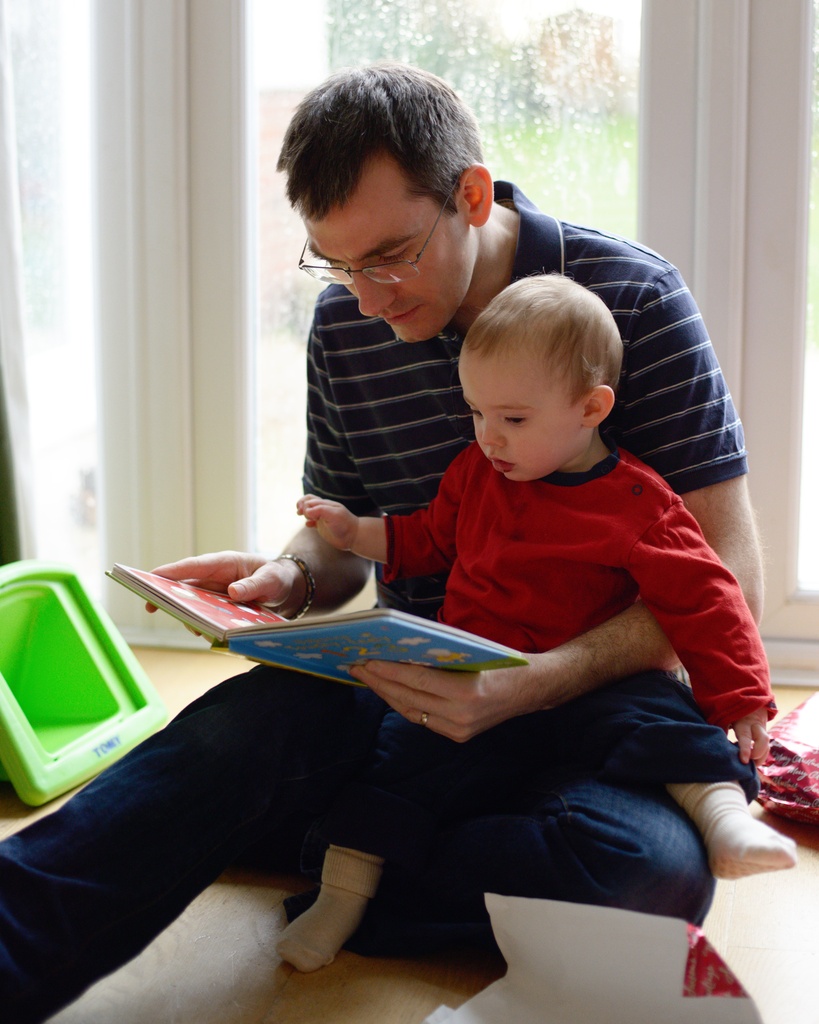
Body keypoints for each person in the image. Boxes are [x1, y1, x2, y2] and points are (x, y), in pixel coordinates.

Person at [0, 62, 779, 1022]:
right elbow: (342, 539)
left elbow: (727, 575)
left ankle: (334, 849)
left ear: (471, 196)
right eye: (336, 264)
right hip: (410, 690)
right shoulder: (346, 322)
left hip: (598, 710)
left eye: (390, 258)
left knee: (644, 873)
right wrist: (287, 575)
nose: (366, 300)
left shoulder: (631, 298)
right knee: (232, 734)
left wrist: (534, 684)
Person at [274, 273, 796, 972]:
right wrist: (353, 532)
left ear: (591, 408)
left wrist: (743, 699)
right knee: (398, 766)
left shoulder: (639, 503)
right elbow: (424, 539)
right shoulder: (475, 472)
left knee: (664, 719)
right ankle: (341, 898)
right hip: (474, 674)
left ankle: (724, 822)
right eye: (475, 413)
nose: (488, 437)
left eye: (513, 420)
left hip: (591, 688)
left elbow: (707, 598)